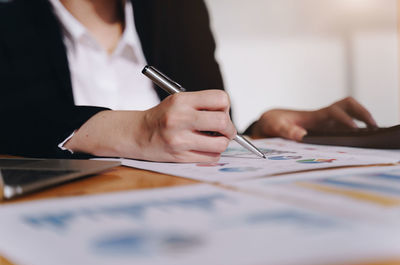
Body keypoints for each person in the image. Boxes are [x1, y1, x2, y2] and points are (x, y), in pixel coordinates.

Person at [0, 0, 377, 162]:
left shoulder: (177, 10)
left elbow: (200, 133)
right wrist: (135, 131)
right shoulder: (11, 18)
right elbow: (15, 122)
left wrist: (261, 128)